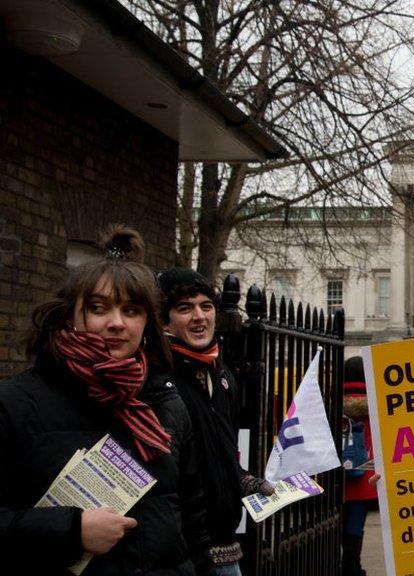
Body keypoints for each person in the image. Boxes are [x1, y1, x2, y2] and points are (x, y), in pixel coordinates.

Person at [0, 226, 214, 575]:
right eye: (99, 308)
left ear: (147, 323)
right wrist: (71, 530)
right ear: (70, 314)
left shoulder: (167, 405)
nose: (116, 323)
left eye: (131, 311)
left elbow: (191, 519)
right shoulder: (15, 403)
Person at [157, 267, 274, 576]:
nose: (200, 316)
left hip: (227, 547)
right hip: (186, 556)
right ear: (164, 321)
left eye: (206, 306)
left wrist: (249, 481)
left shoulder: (221, 376)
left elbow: (222, 454)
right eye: (185, 308)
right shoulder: (157, 382)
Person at [341, 355, 375, 576]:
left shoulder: (332, 401)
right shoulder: (375, 404)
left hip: (336, 478)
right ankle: (352, 566)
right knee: (355, 526)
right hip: (363, 477)